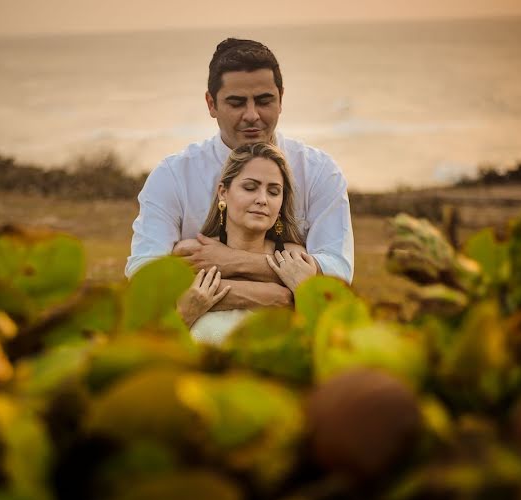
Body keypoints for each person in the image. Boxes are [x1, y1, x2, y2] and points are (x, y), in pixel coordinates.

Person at [125, 37, 354, 310]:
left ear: (281, 99)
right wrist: (278, 297)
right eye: (236, 103)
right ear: (211, 104)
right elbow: (142, 274)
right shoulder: (172, 175)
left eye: (264, 100)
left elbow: (337, 272)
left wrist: (229, 261)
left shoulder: (320, 172)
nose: (252, 115)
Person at [176, 142, 316, 344]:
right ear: (223, 192)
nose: (262, 199)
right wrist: (185, 314)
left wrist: (303, 294)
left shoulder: (295, 259)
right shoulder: (191, 255)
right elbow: (158, 344)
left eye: (274, 192)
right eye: (250, 187)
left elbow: (315, 339)